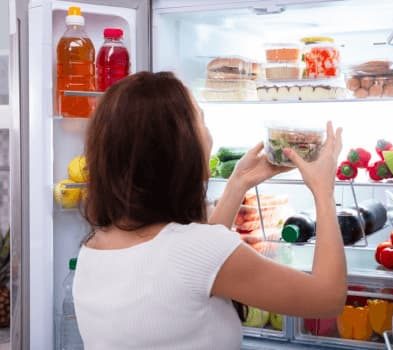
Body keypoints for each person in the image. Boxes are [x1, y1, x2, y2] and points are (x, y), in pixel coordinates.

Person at [73, 71, 346, 350]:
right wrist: (324, 192)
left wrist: (237, 184)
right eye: (200, 120)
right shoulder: (196, 250)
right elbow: (328, 297)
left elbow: (191, 267)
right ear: (177, 148)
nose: (209, 133)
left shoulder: (93, 247)